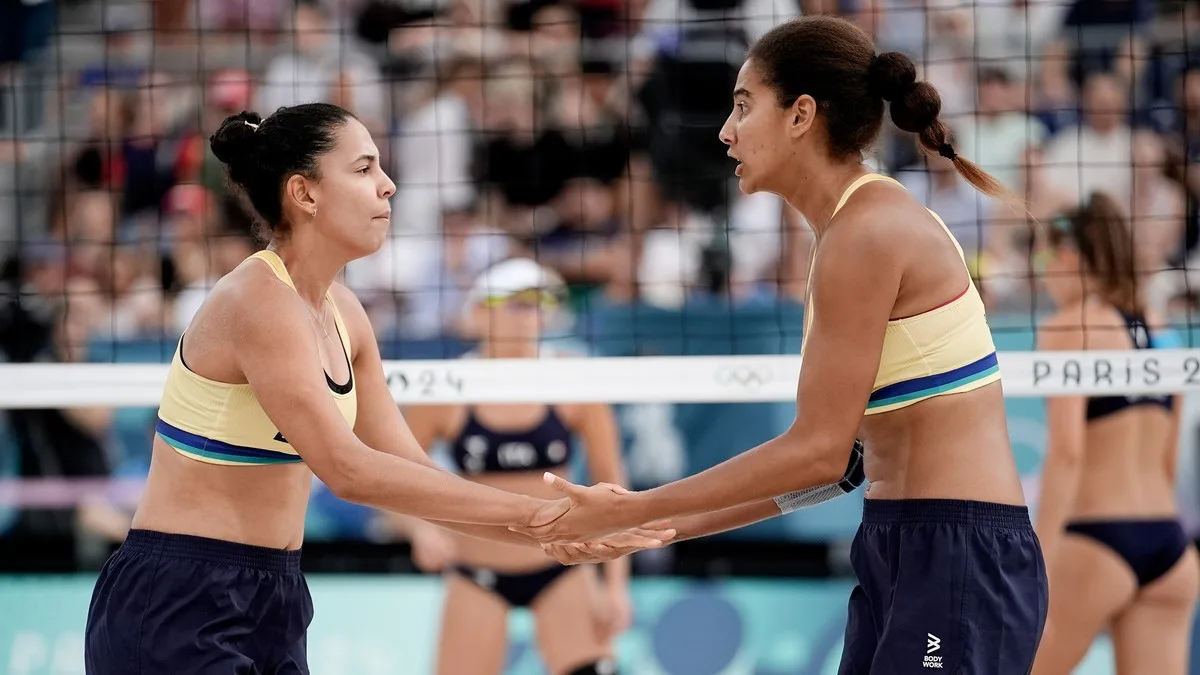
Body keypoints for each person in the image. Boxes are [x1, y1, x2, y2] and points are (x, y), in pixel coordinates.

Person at [516, 15, 1050, 675]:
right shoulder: (844, 232)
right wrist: (655, 527)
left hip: (956, 552)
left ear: (802, 114)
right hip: (907, 544)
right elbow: (839, 469)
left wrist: (640, 506)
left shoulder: (869, 230)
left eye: (743, 106)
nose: (725, 131)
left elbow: (816, 451)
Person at [82, 103, 670, 675]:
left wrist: (553, 533)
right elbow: (351, 472)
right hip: (180, 591)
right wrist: (543, 515)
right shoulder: (258, 301)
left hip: (275, 590)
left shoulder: (345, 311)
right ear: (304, 193)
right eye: (364, 169)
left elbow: (410, 472)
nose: (388, 186)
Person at [391, 257, 630, 675]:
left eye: (539, 301)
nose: (531, 313)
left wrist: (616, 587)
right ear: (482, 311)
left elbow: (615, 488)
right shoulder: (446, 388)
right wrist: (419, 530)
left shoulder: (575, 378)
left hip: (561, 565)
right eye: (518, 302)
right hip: (477, 573)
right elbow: (392, 479)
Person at [1030, 193, 1199, 675]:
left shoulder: (1069, 327)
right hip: (1170, 548)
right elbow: (1168, 460)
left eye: (1043, 257)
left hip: (1098, 540)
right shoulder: (1163, 331)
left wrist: (1037, 559)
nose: (1042, 273)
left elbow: (1067, 454)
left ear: (1069, 256)